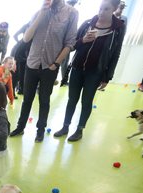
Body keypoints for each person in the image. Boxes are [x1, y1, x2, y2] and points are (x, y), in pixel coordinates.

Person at [54, 0, 126, 142]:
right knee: (72, 100)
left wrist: (107, 77)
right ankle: (65, 127)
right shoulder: (88, 23)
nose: (101, 12)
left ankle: (79, 129)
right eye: (100, 8)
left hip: (95, 72)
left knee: (86, 102)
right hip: (77, 68)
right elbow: (72, 45)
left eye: (106, 9)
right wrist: (83, 40)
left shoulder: (118, 29)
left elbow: (116, 53)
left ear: (114, 9)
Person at [9, 0, 78, 143]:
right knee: (27, 98)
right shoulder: (39, 12)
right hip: (32, 63)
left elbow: (70, 43)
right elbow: (26, 38)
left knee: (44, 99)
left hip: (50, 66)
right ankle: (20, 127)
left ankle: (40, 130)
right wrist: (41, 13)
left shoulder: (71, 13)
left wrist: (56, 63)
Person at [60, 0, 80, 86]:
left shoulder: (74, 14)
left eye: (74, 4)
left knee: (64, 64)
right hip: (56, 43)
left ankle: (64, 81)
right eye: (72, 3)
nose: (73, 6)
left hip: (66, 45)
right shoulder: (61, 12)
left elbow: (72, 33)